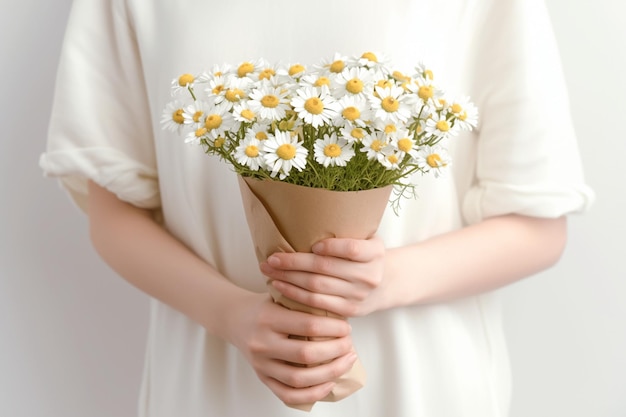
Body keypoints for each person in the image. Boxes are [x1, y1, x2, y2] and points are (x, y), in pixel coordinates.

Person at [40, 0, 594, 416]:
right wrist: (232, 314)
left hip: (420, 390)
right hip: (212, 388)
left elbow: (537, 224)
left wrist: (384, 278)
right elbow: (113, 216)